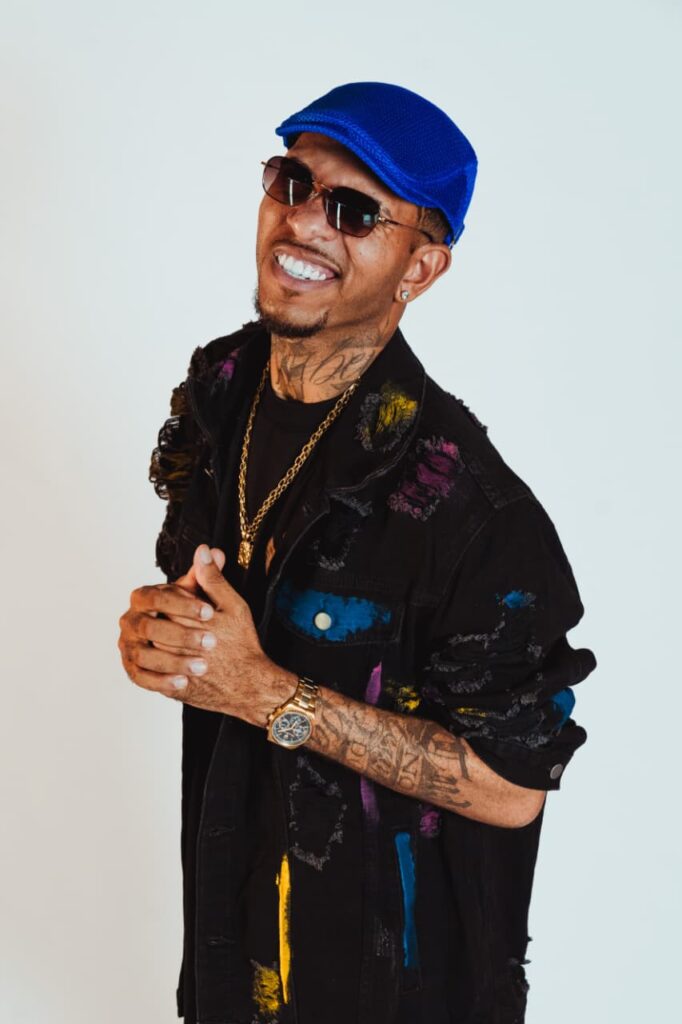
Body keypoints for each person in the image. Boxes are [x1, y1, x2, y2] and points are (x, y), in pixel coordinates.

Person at [118, 81, 597, 1024]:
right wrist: (165, 637)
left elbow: (512, 787)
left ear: (421, 268)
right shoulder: (220, 392)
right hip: (231, 958)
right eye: (292, 182)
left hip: (397, 988)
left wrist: (269, 696)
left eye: (354, 210)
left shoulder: (470, 508)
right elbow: (211, 612)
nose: (304, 222)